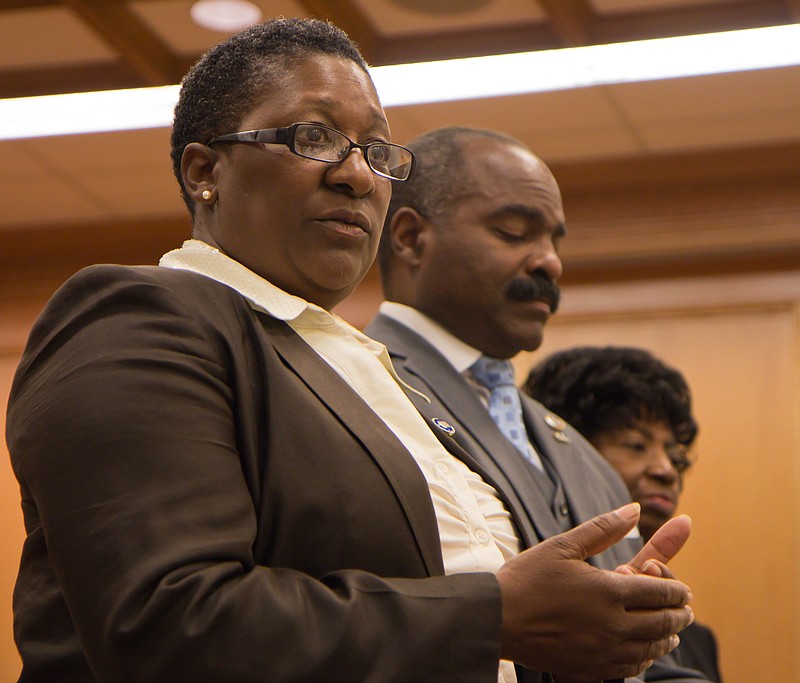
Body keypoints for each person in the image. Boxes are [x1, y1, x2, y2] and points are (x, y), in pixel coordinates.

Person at [5, 19, 694, 683]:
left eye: (376, 151)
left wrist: (590, 622)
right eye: (316, 136)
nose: (358, 176)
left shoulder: (360, 365)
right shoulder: (142, 315)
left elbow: (440, 607)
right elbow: (168, 624)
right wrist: (498, 614)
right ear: (204, 170)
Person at [365, 126, 710, 681]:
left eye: (555, 241)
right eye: (514, 231)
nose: (550, 263)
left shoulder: (568, 442)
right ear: (409, 238)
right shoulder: (353, 389)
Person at [524, 346, 723, 682]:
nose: (666, 470)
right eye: (635, 445)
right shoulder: (531, 614)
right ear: (565, 451)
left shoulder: (696, 640)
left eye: (674, 455)